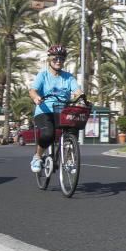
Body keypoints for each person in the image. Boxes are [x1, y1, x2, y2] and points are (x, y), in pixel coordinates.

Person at [28, 44, 83, 173]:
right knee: (48, 134)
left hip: (62, 112)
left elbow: (77, 91)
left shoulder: (68, 77)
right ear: (49, 60)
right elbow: (33, 90)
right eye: (55, 59)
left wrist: (81, 98)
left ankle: (69, 159)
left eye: (61, 59)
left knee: (73, 130)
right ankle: (37, 156)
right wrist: (36, 97)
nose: (58, 61)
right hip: (44, 111)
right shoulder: (43, 76)